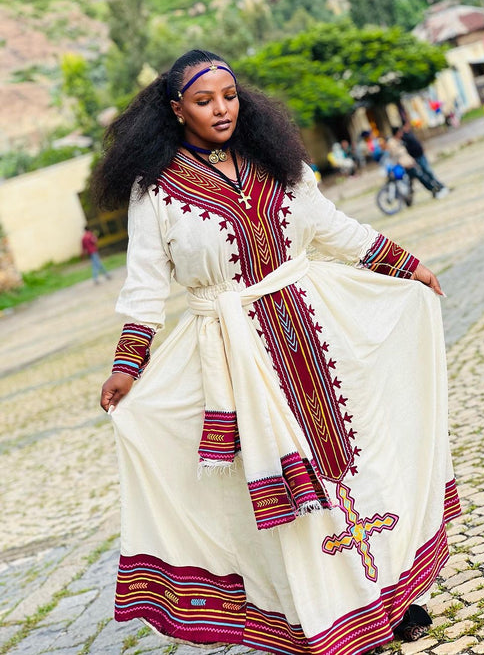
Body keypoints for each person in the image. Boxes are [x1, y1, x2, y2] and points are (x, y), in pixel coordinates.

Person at [92, 49, 460, 655]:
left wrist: (405, 264)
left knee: (357, 463)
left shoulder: (275, 160)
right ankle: (320, 618)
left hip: (318, 332)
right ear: (174, 107)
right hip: (238, 360)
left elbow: (332, 228)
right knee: (285, 497)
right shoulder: (153, 189)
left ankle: (387, 600)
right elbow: (146, 284)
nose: (221, 110)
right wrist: (127, 365)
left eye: (229, 96)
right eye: (204, 100)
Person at [387, 127, 447, 199]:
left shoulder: (400, 141)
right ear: (397, 133)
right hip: (405, 167)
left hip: (410, 164)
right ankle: (435, 190)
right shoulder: (392, 143)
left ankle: (436, 189)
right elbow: (395, 156)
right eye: (400, 132)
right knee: (422, 178)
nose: (401, 134)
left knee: (419, 179)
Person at [401, 123, 449, 195]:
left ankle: (439, 186)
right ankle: (436, 188)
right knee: (426, 173)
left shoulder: (410, 133)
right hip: (416, 158)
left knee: (428, 172)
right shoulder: (404, 137)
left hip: (420, 156)